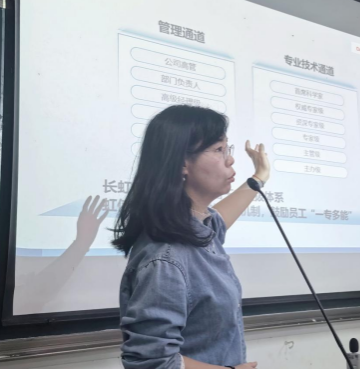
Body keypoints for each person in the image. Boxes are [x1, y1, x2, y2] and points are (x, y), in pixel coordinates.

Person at [112, 105, 270, 369]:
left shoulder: (196, 228)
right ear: (182, 162)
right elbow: (152, 362)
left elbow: (220, 219)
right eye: (219, 150)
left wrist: (259, 178)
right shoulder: (165, 259)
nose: (230, 160)